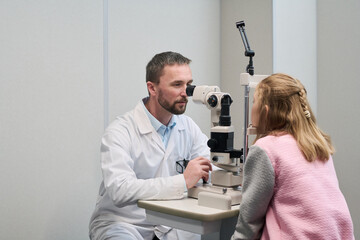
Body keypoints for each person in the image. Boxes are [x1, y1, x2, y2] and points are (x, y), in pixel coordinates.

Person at [89, 51, 212, 240]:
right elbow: (120, 190)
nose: (185, 93)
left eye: (188, 84)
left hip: (172, 224)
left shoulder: (188, 127)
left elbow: (211, 167)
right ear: (152, 88)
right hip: (125, 223)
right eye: (177, 84)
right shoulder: (120, 131)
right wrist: (182, 181)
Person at [231, 73, 354, 240]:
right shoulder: (318, 144)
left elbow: (249, 223)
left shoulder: (266, 148)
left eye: (254, 102)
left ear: (265, 111)